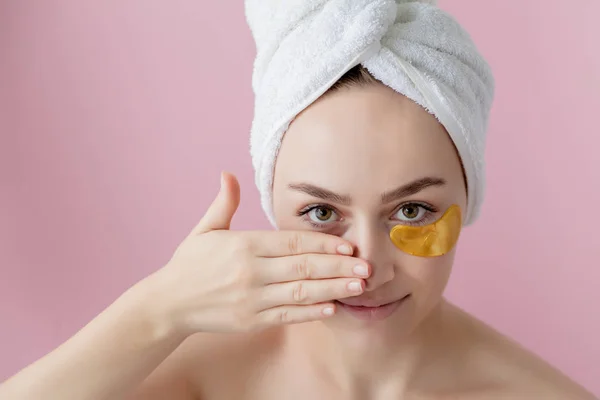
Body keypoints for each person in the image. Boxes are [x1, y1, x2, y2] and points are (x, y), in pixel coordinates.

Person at [1, 1, 596, 400]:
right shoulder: (189, 374)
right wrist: (158, 310)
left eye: (411, 211)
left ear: (470, 194)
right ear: (270, 203)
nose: (365, 271)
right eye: (321, 214)